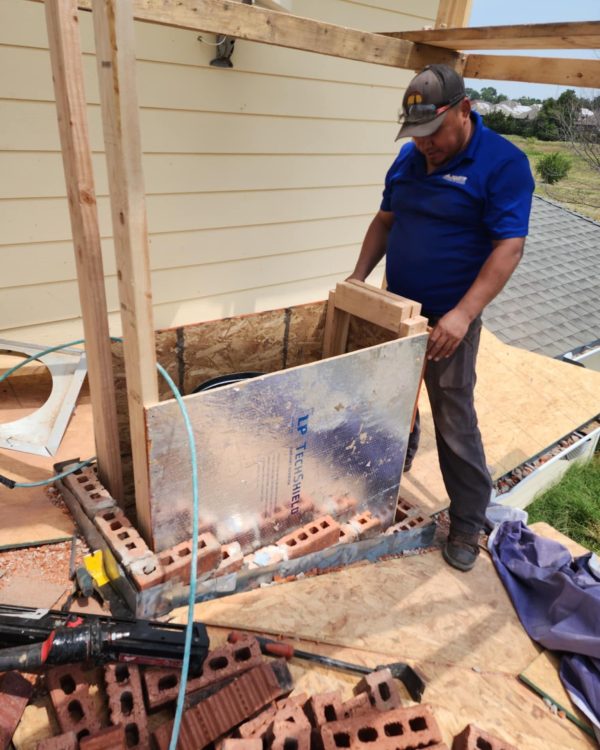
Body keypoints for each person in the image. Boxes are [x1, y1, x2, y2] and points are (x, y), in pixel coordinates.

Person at [347, 64, 534, 571]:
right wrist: (358, 279)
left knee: (453, 418)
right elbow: (385, 220)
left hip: (450, 319)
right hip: (397, 308)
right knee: (390, 399)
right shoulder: (408, 161)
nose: (424, 145)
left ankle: (469, 519)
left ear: (465, 111)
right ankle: (389, 468)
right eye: (417, 134)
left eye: (433, 133)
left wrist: (462, 315)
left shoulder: (504, 164)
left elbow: (508, 247)